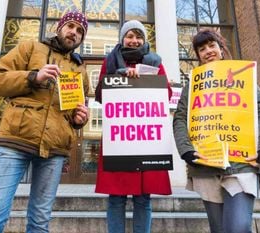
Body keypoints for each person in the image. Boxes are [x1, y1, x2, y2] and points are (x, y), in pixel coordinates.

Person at [0, 11, 90, 232]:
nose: (73, 33)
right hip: (14, 141)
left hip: (54, 150)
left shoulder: (80, 70)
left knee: (40, 222)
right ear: (59, 27)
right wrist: (33, 77)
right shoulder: (30, 48)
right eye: (71, 27)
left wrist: (79, 120)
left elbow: (77, 111)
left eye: (80, 31)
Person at [173, 28, 260, 233]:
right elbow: (180, 118)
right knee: (218, 229)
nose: (208, 51)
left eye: (212, 45)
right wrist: (186, 150)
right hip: (206, 165)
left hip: (242, 165)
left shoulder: (244, 77)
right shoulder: (192, 85)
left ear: (221, 49)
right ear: (198, 56)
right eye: (202, 49)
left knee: (237, 228)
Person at [94, 20, 172, 233]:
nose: (134, 40)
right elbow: (100, 95)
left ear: (144, 40)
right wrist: (117, 78)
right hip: (119, 141)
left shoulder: (155, 62)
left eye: (138, 36)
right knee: (115, 199)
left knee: (143, 199)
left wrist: (144, 78)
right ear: (122, 38)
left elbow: (166, 95)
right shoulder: (109, 62)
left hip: (144, 142)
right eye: (130, 36)